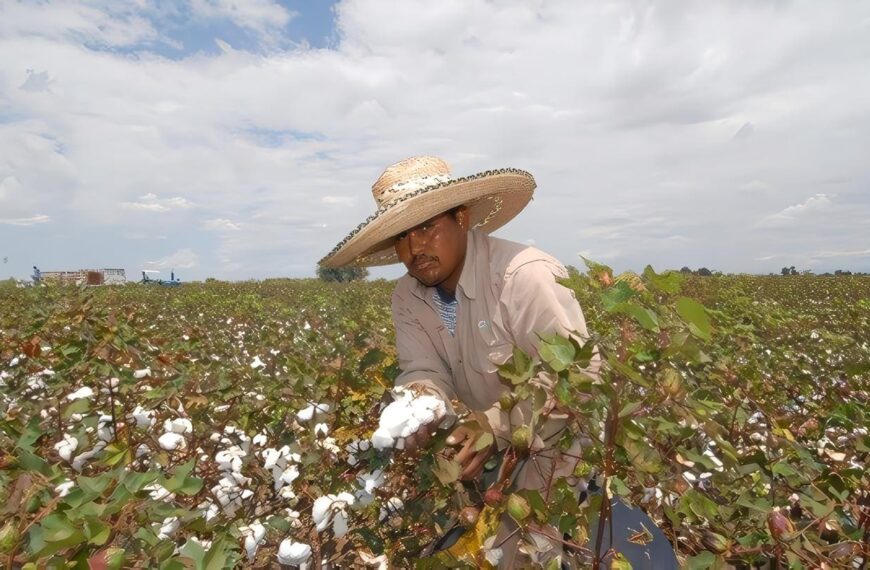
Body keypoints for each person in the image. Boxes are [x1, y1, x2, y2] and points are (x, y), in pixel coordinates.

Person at [320, 156, 676, 569]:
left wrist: (491, 424)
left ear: (462, 217)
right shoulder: (407, 296)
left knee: (541, 553)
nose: (415, 248)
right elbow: (423, 368)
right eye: (402, 237)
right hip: (486, 468)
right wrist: (420, 405)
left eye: (427, 227)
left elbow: (580, 376)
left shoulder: (525, 276)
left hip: (559, 460)